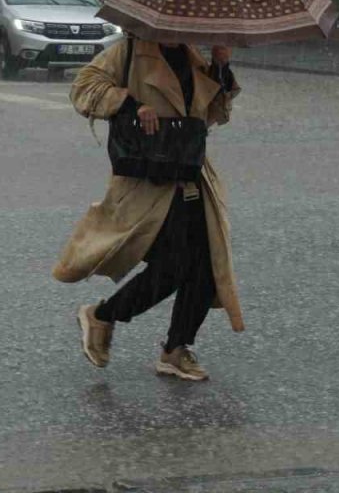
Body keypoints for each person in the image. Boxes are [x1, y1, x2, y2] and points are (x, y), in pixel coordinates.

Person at [54, 37, 242, 382]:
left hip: (189, 173)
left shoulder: (192, 56)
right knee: (174, 266)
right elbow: (84, 88)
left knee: (204, 265)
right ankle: (103, 314)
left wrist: (220, 69)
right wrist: (131, 105)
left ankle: (175, 348)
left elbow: (211, 116)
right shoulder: (128, 51)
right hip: (148, 179)